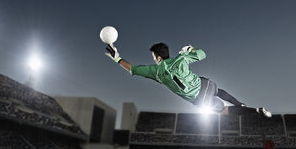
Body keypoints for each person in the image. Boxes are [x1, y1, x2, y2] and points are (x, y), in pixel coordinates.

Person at [104, 43, 272, 117]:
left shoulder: (156, 71)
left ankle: (252, 111)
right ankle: (245, 106)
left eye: (153, 56)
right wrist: (190, 49)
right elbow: (202, 54)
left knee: (224, 112)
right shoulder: (181, 58)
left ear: (158, 57)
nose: (154, 59)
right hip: (206, 84)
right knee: (218, 90)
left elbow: (132, 69)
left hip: (199, 98)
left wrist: (117, 58)